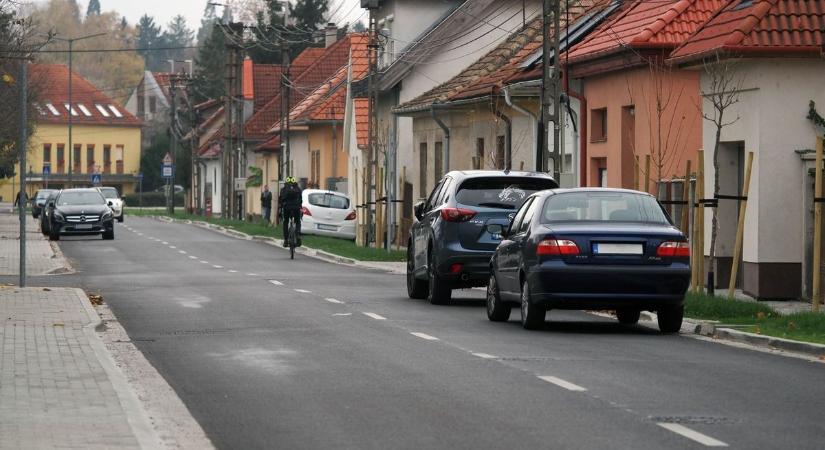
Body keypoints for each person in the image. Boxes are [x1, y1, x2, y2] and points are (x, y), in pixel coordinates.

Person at [278, 176, 303, 247]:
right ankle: (297, 234)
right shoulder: (298, 189)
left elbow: (280, 200)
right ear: (294, 182)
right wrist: (299, 206)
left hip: (287, 208)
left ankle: (286, 240)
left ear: (286, 182)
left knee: (285, 222)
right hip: (296, 208)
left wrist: (281, 208)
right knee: (297, 221)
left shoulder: (283, 189)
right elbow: (300, 200)